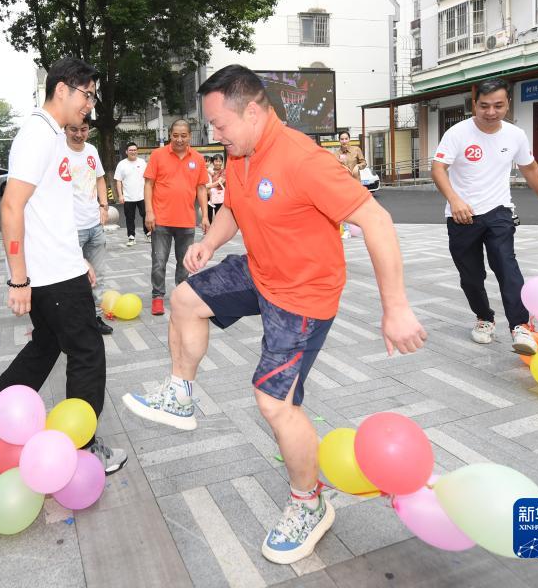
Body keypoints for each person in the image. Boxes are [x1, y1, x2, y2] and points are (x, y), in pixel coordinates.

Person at [121, 65, 426, 565]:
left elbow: (376, 218)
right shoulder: (241, 155)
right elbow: (236, 208)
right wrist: (209, 244)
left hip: (303, 296)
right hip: (262, 271)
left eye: (219, 124)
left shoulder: (303, 160)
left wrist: (395, 308)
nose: (212, 135)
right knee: (183, 299)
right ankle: (180, 395)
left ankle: (310, 503)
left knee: (274, 402)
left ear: (256, 111)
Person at [0, 57, 126, 474]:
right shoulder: (38, 135)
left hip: (59, 267)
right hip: (48, 276)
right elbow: (12, 206)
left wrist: (78, 259)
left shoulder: (53, 135)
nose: (90, 104)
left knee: (46, 345)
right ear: (62, 89)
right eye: (86, 94)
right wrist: (18, 280)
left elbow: (48, 211)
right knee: (87, 352)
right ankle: (83, 446)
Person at [431, 78, 538, 347]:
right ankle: (484, 317)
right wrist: (454, 199)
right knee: (471, 277)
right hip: (462, 216)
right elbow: (438, 169)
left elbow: (530, 168)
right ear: (475, 105)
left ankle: (520, 326)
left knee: (507, 267)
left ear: (507, 104)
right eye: (484, 106)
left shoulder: (515, 135)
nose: (491, 112)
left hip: (499, 211)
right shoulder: (457, 133)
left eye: (498, 105)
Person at [144, 119, 209, 316]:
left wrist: (205, 216)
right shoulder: (157, 155)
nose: (179, 139)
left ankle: (181, 297)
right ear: (169, 135)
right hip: (161, 220)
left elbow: (201, 188)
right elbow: (149, 184)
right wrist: (149, 212)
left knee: (185, 263)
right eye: (175, 135)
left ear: (190, 136)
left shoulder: (197, 158)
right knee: (159, 262)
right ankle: (157, 296)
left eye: (183, 135)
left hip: (186, 221)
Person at [65, 119, 114, 335]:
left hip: (94, 224)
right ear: (65, 129)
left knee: (99, 275)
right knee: (72, 276)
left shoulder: (92, 150)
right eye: (73, 129)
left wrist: (103, 205)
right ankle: (73, 321)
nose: (78, 134)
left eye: (83, 130)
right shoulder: (58, 151)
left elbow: (100, 179)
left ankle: (95, 318)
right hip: (70, 228)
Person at [113, 142, 149, 247]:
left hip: (142, 195)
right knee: (129, 217)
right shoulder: (122, 164)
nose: (133, 152)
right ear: (126, 152)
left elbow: (147, 179)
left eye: (134, 150)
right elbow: (118, 181)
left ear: (137, 151)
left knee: (145, 215)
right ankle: (131, 237)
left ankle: (148, 233)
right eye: (131, 150)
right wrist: (120, 195)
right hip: (128, 197)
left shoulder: (142, 162)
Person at [206, 154, 226, 223]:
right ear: (213, 162)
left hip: (219, 197)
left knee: (219, 216)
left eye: (220, 161)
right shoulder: (208, 171)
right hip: (208, 196)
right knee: (208, 216)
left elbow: (219, 182)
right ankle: (208, 232)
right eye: (216, 161)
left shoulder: (224, 171)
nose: (218, 163)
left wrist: (206, 186)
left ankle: (219, 232)